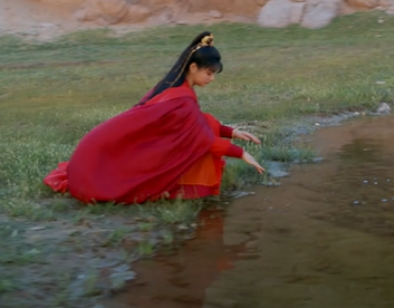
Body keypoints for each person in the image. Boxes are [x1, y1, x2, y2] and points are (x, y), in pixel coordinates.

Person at [44, 31, 266, 204]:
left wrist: (231, 132)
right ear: (193, 67)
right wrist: (242, 154)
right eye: (208, 73)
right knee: (114, 184)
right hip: (105, 147)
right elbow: (203, 140)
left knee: (205, 125)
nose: (211, 79)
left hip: (102, 143)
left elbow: (200, 122)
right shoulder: (182, 99)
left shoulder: (173, 88)